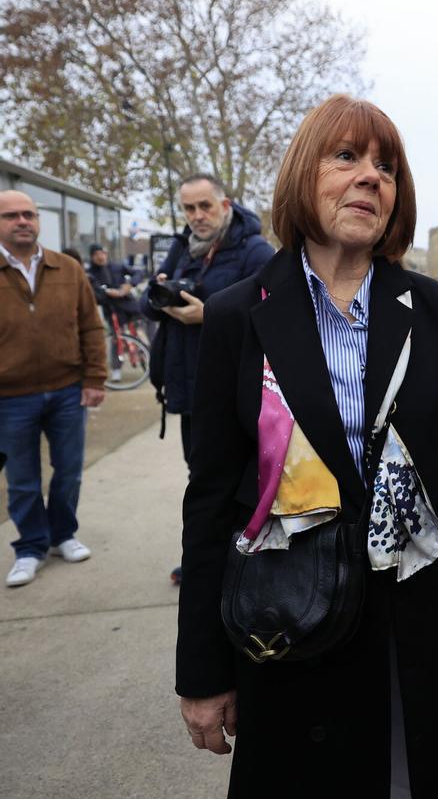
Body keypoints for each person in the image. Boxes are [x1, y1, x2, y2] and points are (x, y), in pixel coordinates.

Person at [176, 94, 438, 797]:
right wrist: (203, 670)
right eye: (348, 157)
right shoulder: (241, 317)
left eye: (387, 167)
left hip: (418, 625)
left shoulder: (435, 312)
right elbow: (211, 501)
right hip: (295, 626)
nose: (372, 178)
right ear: (304, 174)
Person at [141, 174, 272, 585]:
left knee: (246, 476)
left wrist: (208, 313)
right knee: (201, 478)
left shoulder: (254, 250)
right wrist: (159, 294)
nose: (196, 216)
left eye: (204, 206)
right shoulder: (182, 249)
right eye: (188, 208)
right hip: (190, 386)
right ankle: (205, 557)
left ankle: (249, 555)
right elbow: (148, 303)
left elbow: (274, 309)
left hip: (239, 387)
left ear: (226, 205)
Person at [0, 190, 106, 587]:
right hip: (10, 398)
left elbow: (91, 326)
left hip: (67, 390)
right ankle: (30, 547)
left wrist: (95, 378)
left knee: (69, 472)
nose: (22, 221)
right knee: (23, 478)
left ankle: (63, 535)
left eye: (28, 213)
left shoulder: (67, 268)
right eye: (11, 216)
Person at [86, 243, 140, 382]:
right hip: (112, 309)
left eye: (102, 253)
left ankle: (148, 357)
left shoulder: (117, 266)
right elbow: (95, 294)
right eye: (96, 254)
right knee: (117, 338)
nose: (100, 256)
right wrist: (107, 292)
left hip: (130, 305)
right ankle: (116, 369)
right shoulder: (90, 273)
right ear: (92, 257)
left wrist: (129, 285)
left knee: (148, 328)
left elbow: (138, 273)